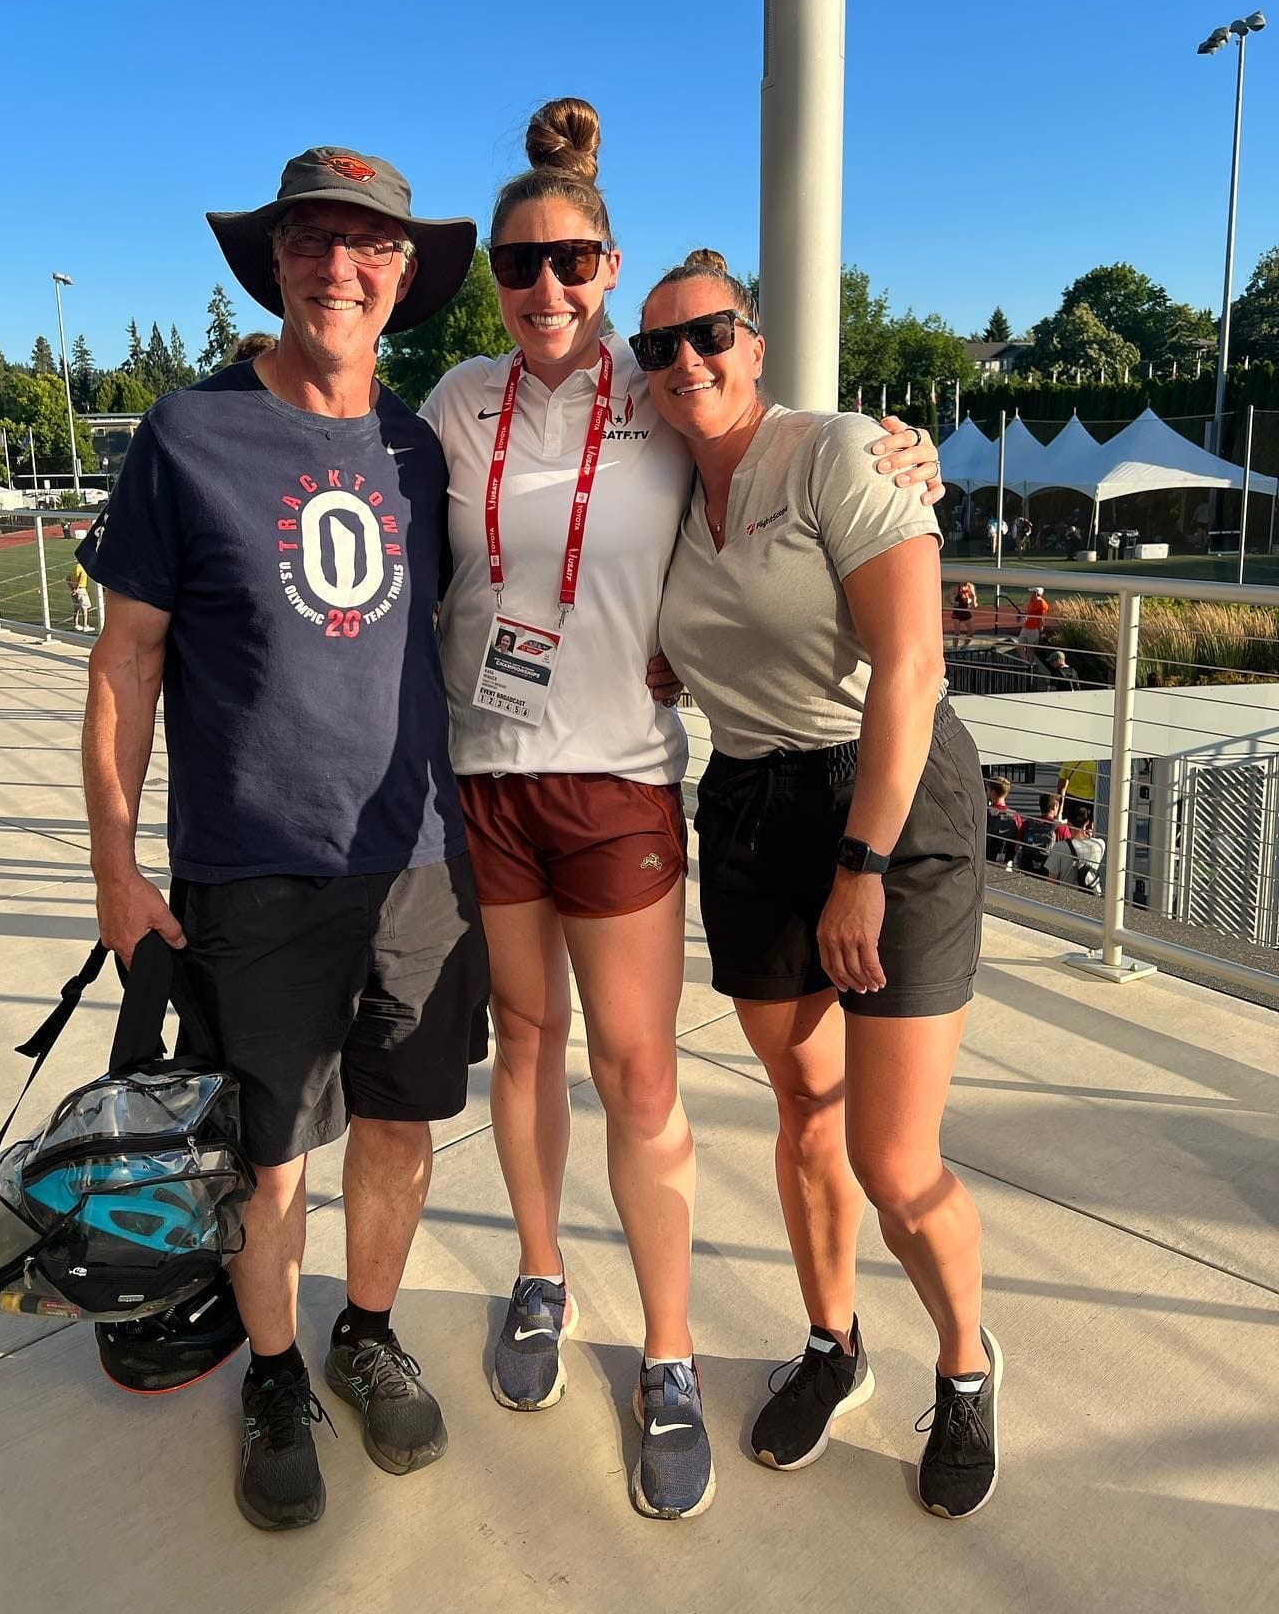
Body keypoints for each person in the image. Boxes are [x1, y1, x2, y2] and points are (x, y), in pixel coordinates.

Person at [418, 100, 945, 1521]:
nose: (545, 292)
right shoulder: (457, 402)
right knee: (524, 1044)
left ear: (609, 262)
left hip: (620, 780)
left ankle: (663, 1354)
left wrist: (906, 456)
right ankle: (540, 1271)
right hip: (486, 775)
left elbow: (772, 440)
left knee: (642, 1077)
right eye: (520, 269)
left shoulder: (655, 399)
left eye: (572, 262)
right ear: (495, 283)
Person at [76, 146, 489, 1531]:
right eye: (313, 240)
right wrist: (116, 865)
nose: (340, 266)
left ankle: (365, 1327)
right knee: (271, 1155)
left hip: (418, 858)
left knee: (400, 1126)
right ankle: (272, 1371)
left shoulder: (423, 447)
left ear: (402, 278)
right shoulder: (187, 436)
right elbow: (125, 662)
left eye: (369, 246)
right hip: (252, 864)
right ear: (276, 264)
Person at [638, 250, 999, 1521]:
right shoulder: (671, 481)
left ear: (758, 340)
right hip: (748, 804)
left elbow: (910, 669)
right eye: (662, 347)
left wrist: (863, 866)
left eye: (711, 335)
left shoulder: (842, 455)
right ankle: (835, 1340)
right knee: (802, 1106)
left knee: (895, 1158)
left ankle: (964, 1364)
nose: (687, 363)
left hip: (887, 803)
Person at [1047, 808, 1104, 895]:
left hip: (1065, 899)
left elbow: (1051, 883)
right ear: (1087, 822)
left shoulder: (1059, 848)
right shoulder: (1099, 845)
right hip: (1090, 898)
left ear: (1068, 824)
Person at [1017, 793, 1069, 875]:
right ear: (1055, 806)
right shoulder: (1061, 828)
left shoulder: (1028, 824)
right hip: (1049, 872)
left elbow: (1017, 847)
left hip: (1027, 868)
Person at [985, 776, 1025, 868]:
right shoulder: (1015, 815)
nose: (986, 793)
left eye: (988, 790)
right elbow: (1019, 839)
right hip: (1007, 859)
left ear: (993, 793)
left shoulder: (988, 813)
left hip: (989, 856)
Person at [65, 560, 92, 633]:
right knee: (84, 607)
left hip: (74, 590)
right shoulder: (82, 569)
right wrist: (77, 588)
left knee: (76, 608)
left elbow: (67, 578)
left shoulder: (74, 568)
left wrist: (72, 588)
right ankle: (85, 625)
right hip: (81, 590)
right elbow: (81, 578)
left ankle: (75, 624)